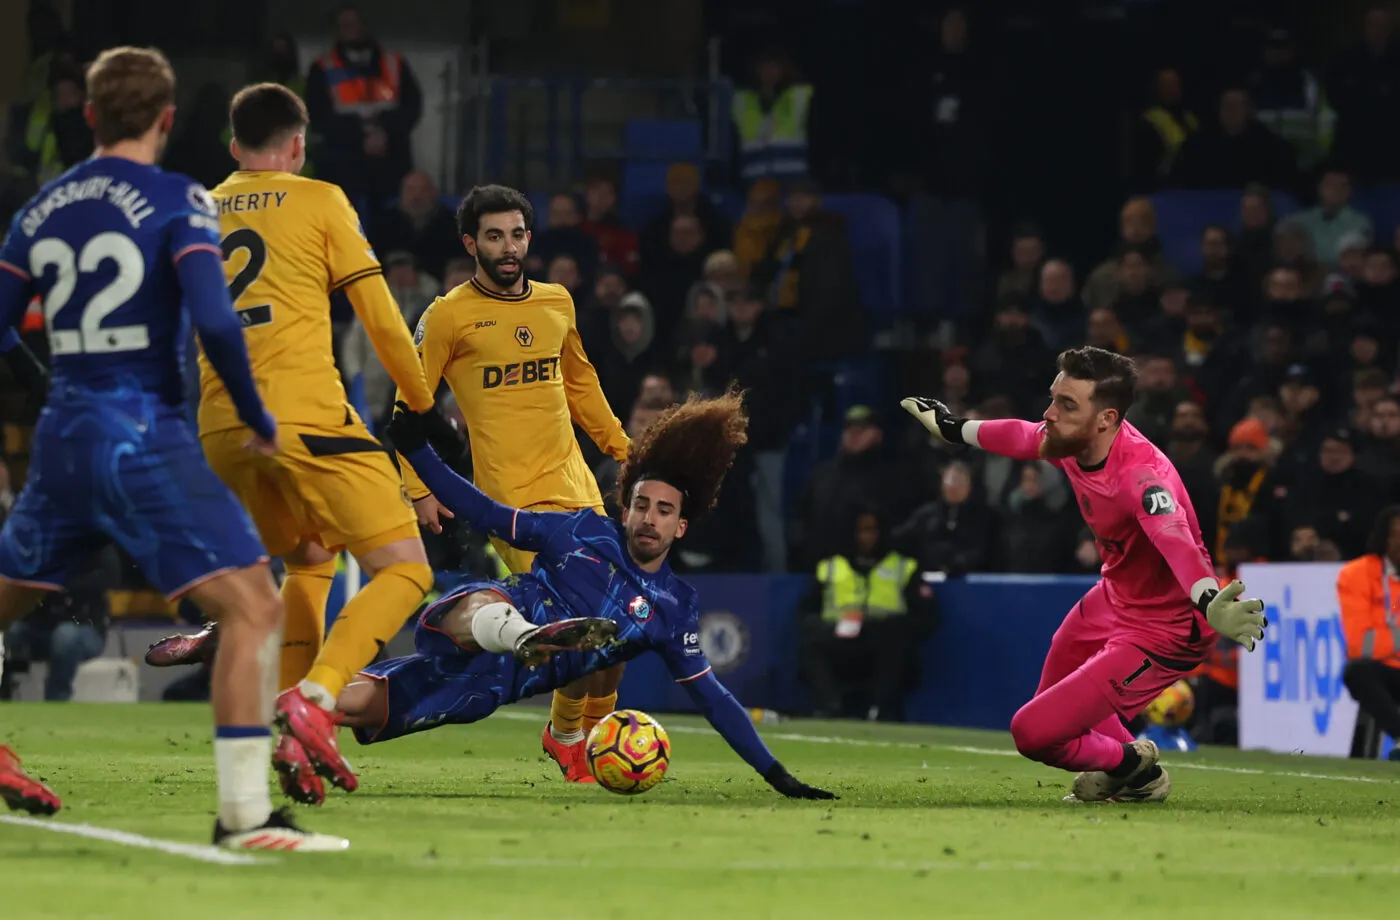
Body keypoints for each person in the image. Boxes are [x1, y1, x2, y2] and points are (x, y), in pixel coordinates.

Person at [0, 48, 342, 850]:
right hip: (141, 433)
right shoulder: (178, 198)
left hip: (64, 435)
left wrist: (41, 379)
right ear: (166, 119)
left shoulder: (40, 209)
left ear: (89, 116)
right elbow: (216, 321)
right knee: (254, 606)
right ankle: (244, 816)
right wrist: (255, 413)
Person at [276, 393, 833, 805]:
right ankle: (526, 636)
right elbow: (485, 512)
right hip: (484, 612)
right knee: (489, 606)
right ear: (626, 509)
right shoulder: (581, 530)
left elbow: (715, 700)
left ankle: (278, 702)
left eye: (664, 511)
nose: (649, 518)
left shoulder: (671, 608)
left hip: (489, 685)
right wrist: (419, 453)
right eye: (642, 506)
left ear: (680, 527)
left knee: (356, 704)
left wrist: (776, 774)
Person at [142, 83, 440, 800]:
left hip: (220, 429)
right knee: (406, 571)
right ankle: (318, 696)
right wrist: (425, 406)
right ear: (299, 145)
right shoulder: (321, 199)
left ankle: (294, 739)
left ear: (233, 146)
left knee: (308, 558)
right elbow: (380, 318)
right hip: (303, 419)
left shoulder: (195, 208)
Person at [902, 346, 1267, 803]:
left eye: (1066, 404)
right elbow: (1022, 434)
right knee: (1053, 703)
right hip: (1115, 596)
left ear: (1106, 419)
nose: (1049, 413)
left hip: (1167, 627)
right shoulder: (1074, 441)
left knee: (1033, 731)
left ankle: (1129, 764)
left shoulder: (1142, 477)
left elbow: (1176, 539)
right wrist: (954, 428)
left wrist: (1209, 600)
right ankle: (1138, 774)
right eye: (1053, 397)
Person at [398, 184, 631, 783]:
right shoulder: (447, 315)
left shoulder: (556, 302)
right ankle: (573, 738)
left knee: (618, 623)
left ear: (530, 237)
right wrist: (417, 487)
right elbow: (410, 404)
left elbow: (581, 384)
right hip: (511, 503)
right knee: (580, 613)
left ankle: (589, 736)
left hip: (577, 487)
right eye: (495, 236)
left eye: (518, 234)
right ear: (470, 243)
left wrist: (623, 449)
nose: (509, 247)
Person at [1337, 505, 1400, 760]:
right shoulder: (1357, 574)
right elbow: (1362, 645)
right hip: (1385, 672)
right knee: (1357, 670)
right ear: (1384, 538)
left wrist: (1388, 637)